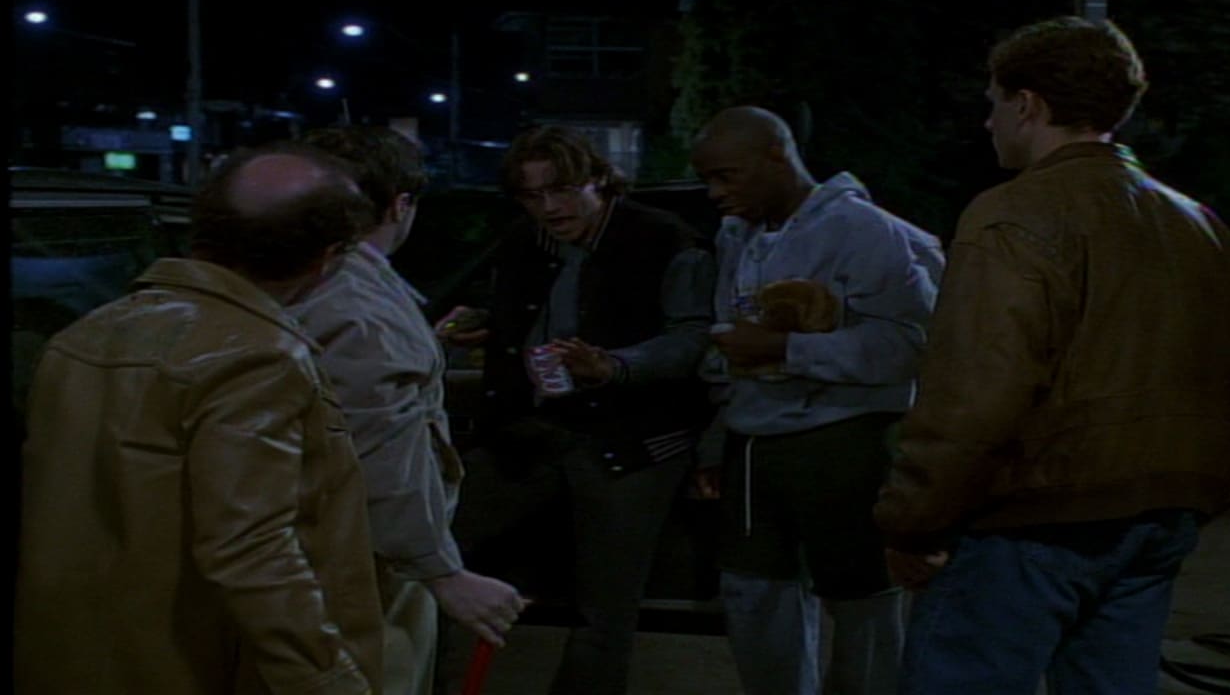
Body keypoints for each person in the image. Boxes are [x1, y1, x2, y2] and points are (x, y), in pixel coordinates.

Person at [873, 16, 1230, 695]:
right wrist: (1198, 494)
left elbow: (975, 396)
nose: (988, 123)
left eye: (994, 103)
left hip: (1034, 521)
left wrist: (913, 521)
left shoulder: (1014, 214)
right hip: (1159, 517)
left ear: (1028, 104)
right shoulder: (1200, 225)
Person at [15, 142, 385, 694]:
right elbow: (253, 551)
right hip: (192, 664)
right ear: (326, 258)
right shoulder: (258, 359)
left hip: (70, 657)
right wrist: (329, 681)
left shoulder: (83, 336)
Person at [435, 124, 716, 694]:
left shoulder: (664, 240)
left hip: (631, 442)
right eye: (532, 195)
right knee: (434, 547)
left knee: (605, 607)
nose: (549, 207)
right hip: (532, 431)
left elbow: (692, 338)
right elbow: (535, 313)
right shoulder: (527, 241)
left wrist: (614, 366)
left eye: (561, 190)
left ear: (599, 181)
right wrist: (489, 324)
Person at [689, 105, 945, 695]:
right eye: (708, 179)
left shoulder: (867, 231)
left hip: (845, 440)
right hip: (754, 445)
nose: (715, 193)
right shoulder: (738, 235)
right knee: (753, 596)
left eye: (727, 176)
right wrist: (719, 435)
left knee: (863, 603)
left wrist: (786, 349)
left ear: (776, 157)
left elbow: (913, 346)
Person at [287, 126, 526, 694]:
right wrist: (441, 570)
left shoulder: (309, 282)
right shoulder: (358, 306)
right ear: (400, 205)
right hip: (367, 558)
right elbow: (378, 451)